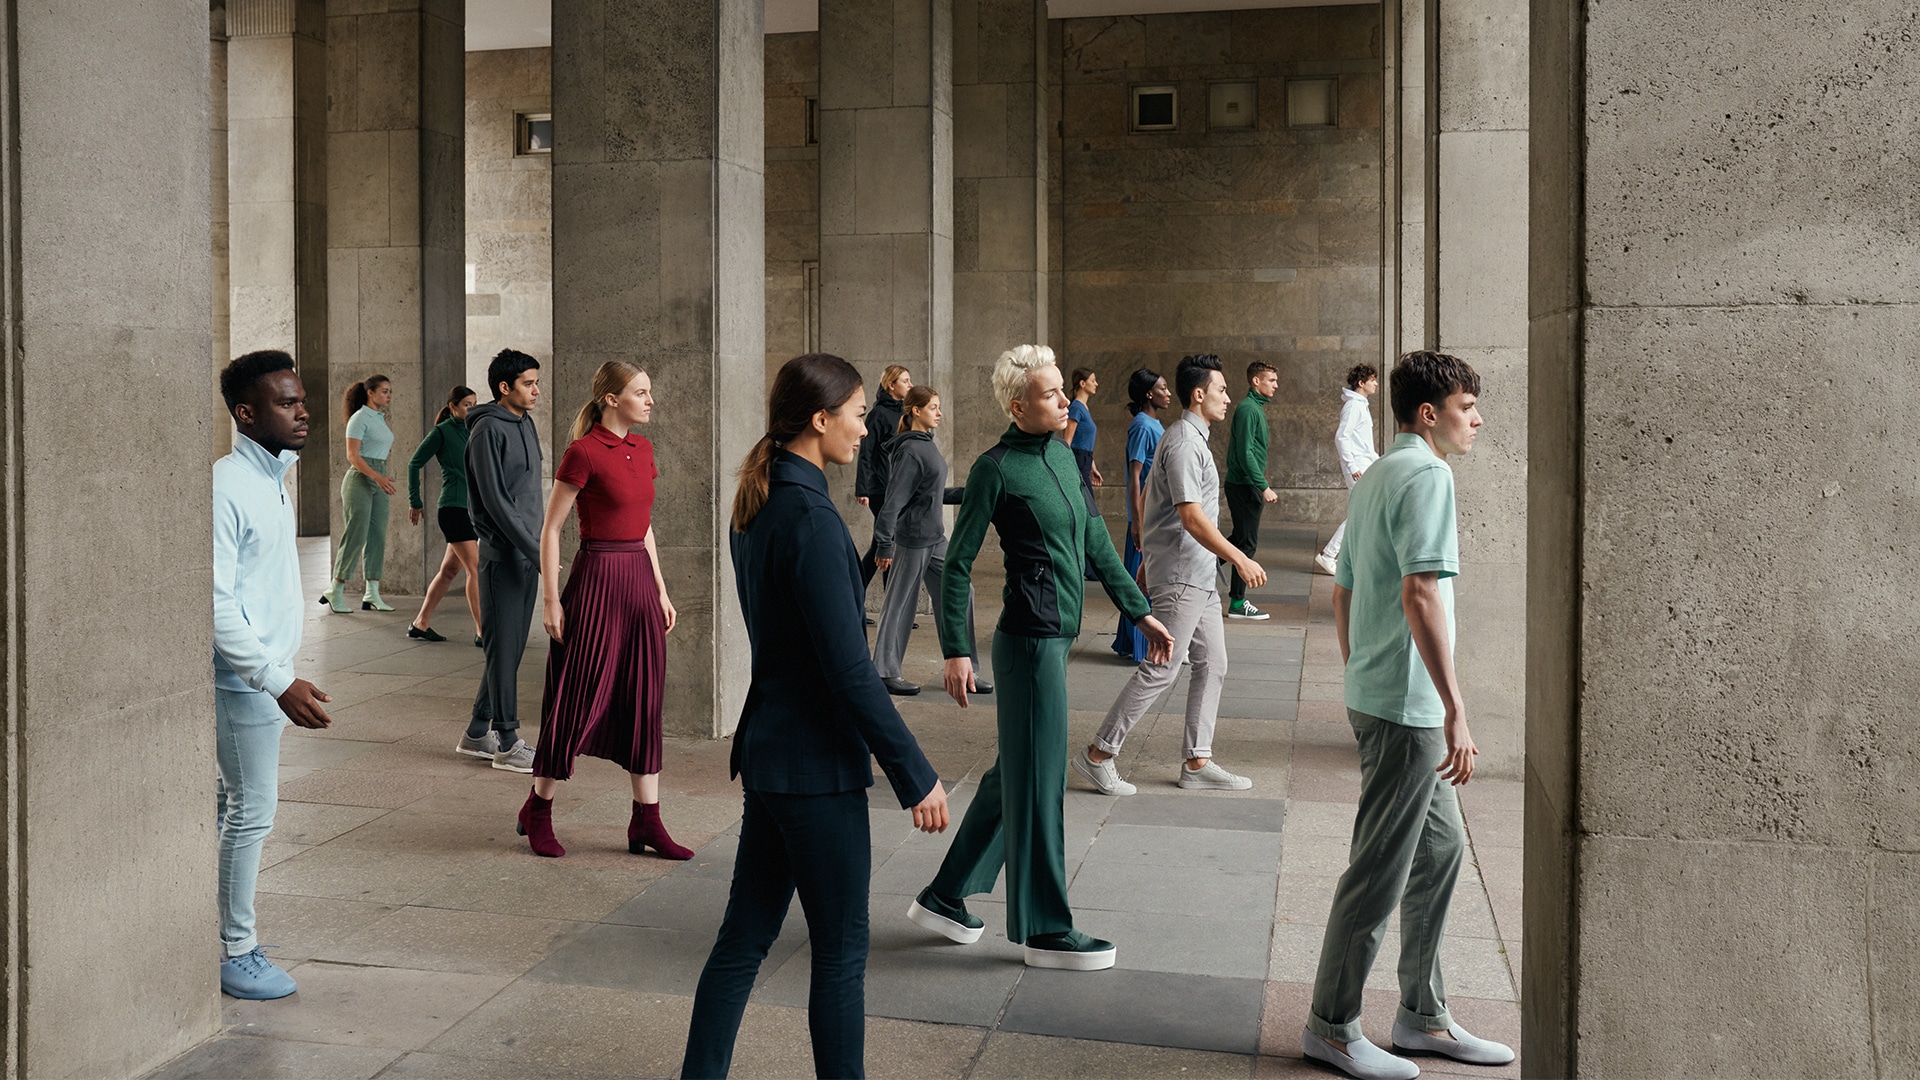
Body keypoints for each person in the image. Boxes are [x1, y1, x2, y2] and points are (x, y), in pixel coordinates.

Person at [682, 353, 949, 1080]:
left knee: (743, 941)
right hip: (813, 769)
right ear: (821, 419)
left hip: (771, 753)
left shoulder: (759, 503)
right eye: (860, 415)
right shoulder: (810, 517)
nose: (868, 430)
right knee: (838, 952)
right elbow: (847, 670)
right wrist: (914, 773)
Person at [908, 345, 1172, 972]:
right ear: (1016, 404)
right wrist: (956, 649)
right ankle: (1044, 929)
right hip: (1026, 642)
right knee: (1042, 776)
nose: (1065, 400)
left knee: (1019, 771)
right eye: (1053, 394)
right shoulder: (994, 468)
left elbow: (1096, 540)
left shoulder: (1062, 452)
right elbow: (958, 562)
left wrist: (1140, 610)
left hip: (1055, 638)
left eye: (1063, 391)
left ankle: (946, 897)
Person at [1301, 351, 1512, 1080]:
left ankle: (1421, 1016)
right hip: (1409, 707)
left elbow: (1342, 592)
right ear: (1429, 413)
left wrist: (1361, 667)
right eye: (1467, 406)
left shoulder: (1378, 475)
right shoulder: (1426, 474)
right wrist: (1456, 710)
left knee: (1442, 849)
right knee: (1379, 870)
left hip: (1385, 693)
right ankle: (1331, 1025)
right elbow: (1421, 594)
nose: (1478, 419)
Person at [516, 362, 691, 861]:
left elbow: (644, 526)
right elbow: (550, 531)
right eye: (640, 392)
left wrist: (660, 589)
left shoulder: (644, 448)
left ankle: (647, 822)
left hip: (638, 580)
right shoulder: (583, 451)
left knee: (643, 700)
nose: (650, 399)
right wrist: (551, 599)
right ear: (612, 399)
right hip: (595, 582)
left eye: (649, 391)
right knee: (575, 697)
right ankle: (539, 809)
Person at [1076, 354, 1266, 797]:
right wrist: (1239, 557)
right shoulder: (1183, 441)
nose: (1227, 397)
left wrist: (1147, 559)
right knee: (1162, 666)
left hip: (1195, 575)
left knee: (1213, 663)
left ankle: (1197, 761)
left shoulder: (1188, 438)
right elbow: (1190, 517)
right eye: (1221, 390)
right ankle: (1098, 754)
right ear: (1199, 394)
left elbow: (1157, 503)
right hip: (1184, 574)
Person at [213, 350, 336, 999]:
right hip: (244, 682)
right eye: (287, 402)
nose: (303, 411)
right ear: (247, 412)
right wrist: (274, 679)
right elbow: (215, 603)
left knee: (229, 804)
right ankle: (236, 947)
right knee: (252, 809)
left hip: (265, 674)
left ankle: (208, 925)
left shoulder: (271, 479)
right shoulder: (227, 485)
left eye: (301, 398)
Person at [869, 385, 987, 698]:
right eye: (933, 407)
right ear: (915, 410)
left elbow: (930, 493)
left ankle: (968, 670)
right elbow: (893, 501)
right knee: (900, 605)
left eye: (938, 406)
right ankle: (884, 671)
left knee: (963, 592)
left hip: (934, 538)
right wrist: (883, 543)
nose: (939, 412)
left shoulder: (925, 444)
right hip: (913, 539)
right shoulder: (910, 449)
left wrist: (966, 493)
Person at [459, 349, 544, 773]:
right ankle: (507, 741)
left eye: (536, 382)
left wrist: (538, 548)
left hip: (527, 554)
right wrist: (536, 550)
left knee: (508, 650)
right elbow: (495, 501)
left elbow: (528, 497)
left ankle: (477, 732)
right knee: (503, 648)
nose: (536, 391)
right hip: (502, 556)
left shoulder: (524, 422)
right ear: (504, 387)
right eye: (528, 383)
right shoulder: (486, 431)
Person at [406, 384, 482, 644]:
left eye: (474, 404)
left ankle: (421, 622)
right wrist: (415, 501)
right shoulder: (441, 432)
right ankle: (483, 631)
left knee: (450, 570)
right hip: (453, 509)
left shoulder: (474, 429)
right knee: (476, 568)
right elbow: (414, 463)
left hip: (471, 510)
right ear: (453, 407)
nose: (471, 409)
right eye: (466, 405)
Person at [321, 374, 397, 613]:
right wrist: (377, 477)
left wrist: (381, 477)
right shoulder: (359, 418)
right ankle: (335, 590)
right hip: (360, 480)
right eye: (384, 391)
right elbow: (353, 456)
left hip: (379, 479)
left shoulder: (379, 418)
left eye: (390, 391)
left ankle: (372, 593)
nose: (389, 395)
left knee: (377, 535)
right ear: (370, 393)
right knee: (356, 534)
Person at [1110, 368, 1171, 661]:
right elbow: (1134, 476)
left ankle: (1133, 643)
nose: (1168, 393)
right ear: (1149, 393)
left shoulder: (1151, 424)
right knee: (1141, 581)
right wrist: (1136, 520)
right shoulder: (1142, 426)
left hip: (1152, 512)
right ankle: (1141, 643)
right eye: (1162, 388)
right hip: (1145, 516)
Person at [1225, 360, 1280, 620]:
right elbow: (1244, 453)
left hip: (1246, 485)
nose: (1276, 385)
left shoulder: (1254, 408)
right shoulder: (1248, 409)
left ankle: (1202, 564)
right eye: (1271, 380)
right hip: (1244, 486)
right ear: (1256, 381)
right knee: (1246, 544)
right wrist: (1263, 486)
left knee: (1238, 539)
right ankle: (1237, 603)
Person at [853, 364, 912, 601]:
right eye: (905, 381)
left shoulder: (905, 413)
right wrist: (862, 488)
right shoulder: (878, 414)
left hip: (897, 489)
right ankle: (890, 608)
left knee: (881, 545)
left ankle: (854, 598)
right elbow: (865, 452)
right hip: (879, 489)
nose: (910, 385)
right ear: (891, 385)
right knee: (887, 544)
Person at [1316, 364, 1381, 576]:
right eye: (1372, 380)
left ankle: (1346, 557)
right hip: (1358, 467)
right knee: (1360, 513)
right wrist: (1352, 465)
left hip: (1364, 464)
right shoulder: (1353, 406)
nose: (1376, 384)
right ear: (1361, 383)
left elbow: (1361, 442)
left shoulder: (1360, 405)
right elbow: (1341, 437)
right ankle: (1329, 555)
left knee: (1363, 513)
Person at [1064, 366, 1103, 490]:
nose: (1096, 384)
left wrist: (1093, 467)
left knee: (1087, 501)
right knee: (1087, 501)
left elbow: (1085, 442)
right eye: (1093, 381)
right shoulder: (1076, 407)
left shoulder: (1084, 407)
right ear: (1082, 383)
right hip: (1078, 459)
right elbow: (1067, 440)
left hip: (1085, 459)